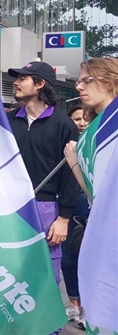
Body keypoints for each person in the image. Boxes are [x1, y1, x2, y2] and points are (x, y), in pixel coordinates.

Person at [7, 61, 79, 295]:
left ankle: (48, 330)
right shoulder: (8, 120)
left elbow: (71, 174)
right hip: (9, 206)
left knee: (44, 274)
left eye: (22, 78)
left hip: (46, 207)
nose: (15, 83)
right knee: (8, 270)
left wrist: (64, 218)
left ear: (39, 84)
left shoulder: (63, 124)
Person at [63, 57, 118, 334]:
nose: (79, 87)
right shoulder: (89, 134)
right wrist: (74, 162)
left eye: (87, 80)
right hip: (102, 230)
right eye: (78, 81)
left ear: (109, 81)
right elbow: (94, 192)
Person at [61, 106, 91, 329]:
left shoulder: (95, 144)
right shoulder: (65, 146)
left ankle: (90, 306)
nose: (81, 123)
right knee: (69, 256)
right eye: (76, 119)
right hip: (70, 205)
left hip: (91, 205)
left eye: (84, 119)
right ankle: (74, 303)